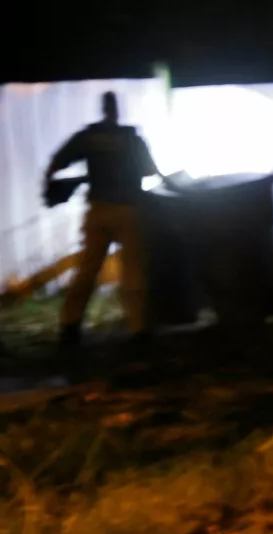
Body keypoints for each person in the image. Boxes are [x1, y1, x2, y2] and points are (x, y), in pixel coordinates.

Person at [44, 91, 166, 351]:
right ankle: (138, 329)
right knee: (133, 271)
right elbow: (150, 171)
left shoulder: (89, 137)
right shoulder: (131, 139)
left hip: (99, 211)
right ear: (116, 110)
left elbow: (56, 162)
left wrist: (50, 185)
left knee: (88, 270)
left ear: (102, 108)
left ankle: (69, 327)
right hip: (128, 211)